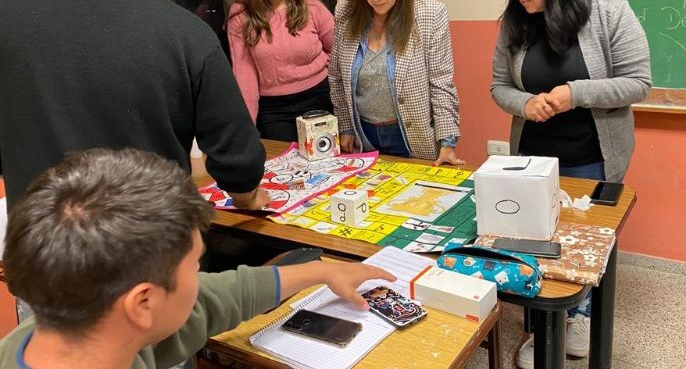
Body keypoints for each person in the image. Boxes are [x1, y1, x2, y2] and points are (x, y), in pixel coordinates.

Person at [0, 148, 395, 368]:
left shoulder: (56, 333)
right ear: (143, 302)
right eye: (194, 265)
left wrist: (321, 270)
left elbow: (211, 297)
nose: (200, 276)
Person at [0, 0, 269, 211]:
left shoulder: (7, 11)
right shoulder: (186, 32)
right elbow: (236, 154)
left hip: (37, 240)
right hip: (150, 239)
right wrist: (248, 197)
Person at [490, 0, 651, 365]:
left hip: (592, 154)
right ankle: (539, 325)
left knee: (581, 242)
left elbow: (639, 83)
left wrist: (573, 94)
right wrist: (525, 102)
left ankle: (576, 317)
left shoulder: (609, 10)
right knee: (533, 237)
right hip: (532, 155)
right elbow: (499, 87)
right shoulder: (515, 20)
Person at [328, 0, 463, 166]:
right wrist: (346, 126)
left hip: (411, 137)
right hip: (364, 137)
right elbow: (336, 77)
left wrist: (447, 141)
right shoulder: (346, 12)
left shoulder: (429, 14)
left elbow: (441, 83)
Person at [228, 0, 335, 141]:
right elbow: (245, 77)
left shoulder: (312, 6)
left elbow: (340, 53)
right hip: (274, 110)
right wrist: (246, 130)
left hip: (319, 99)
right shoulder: (241, 15)